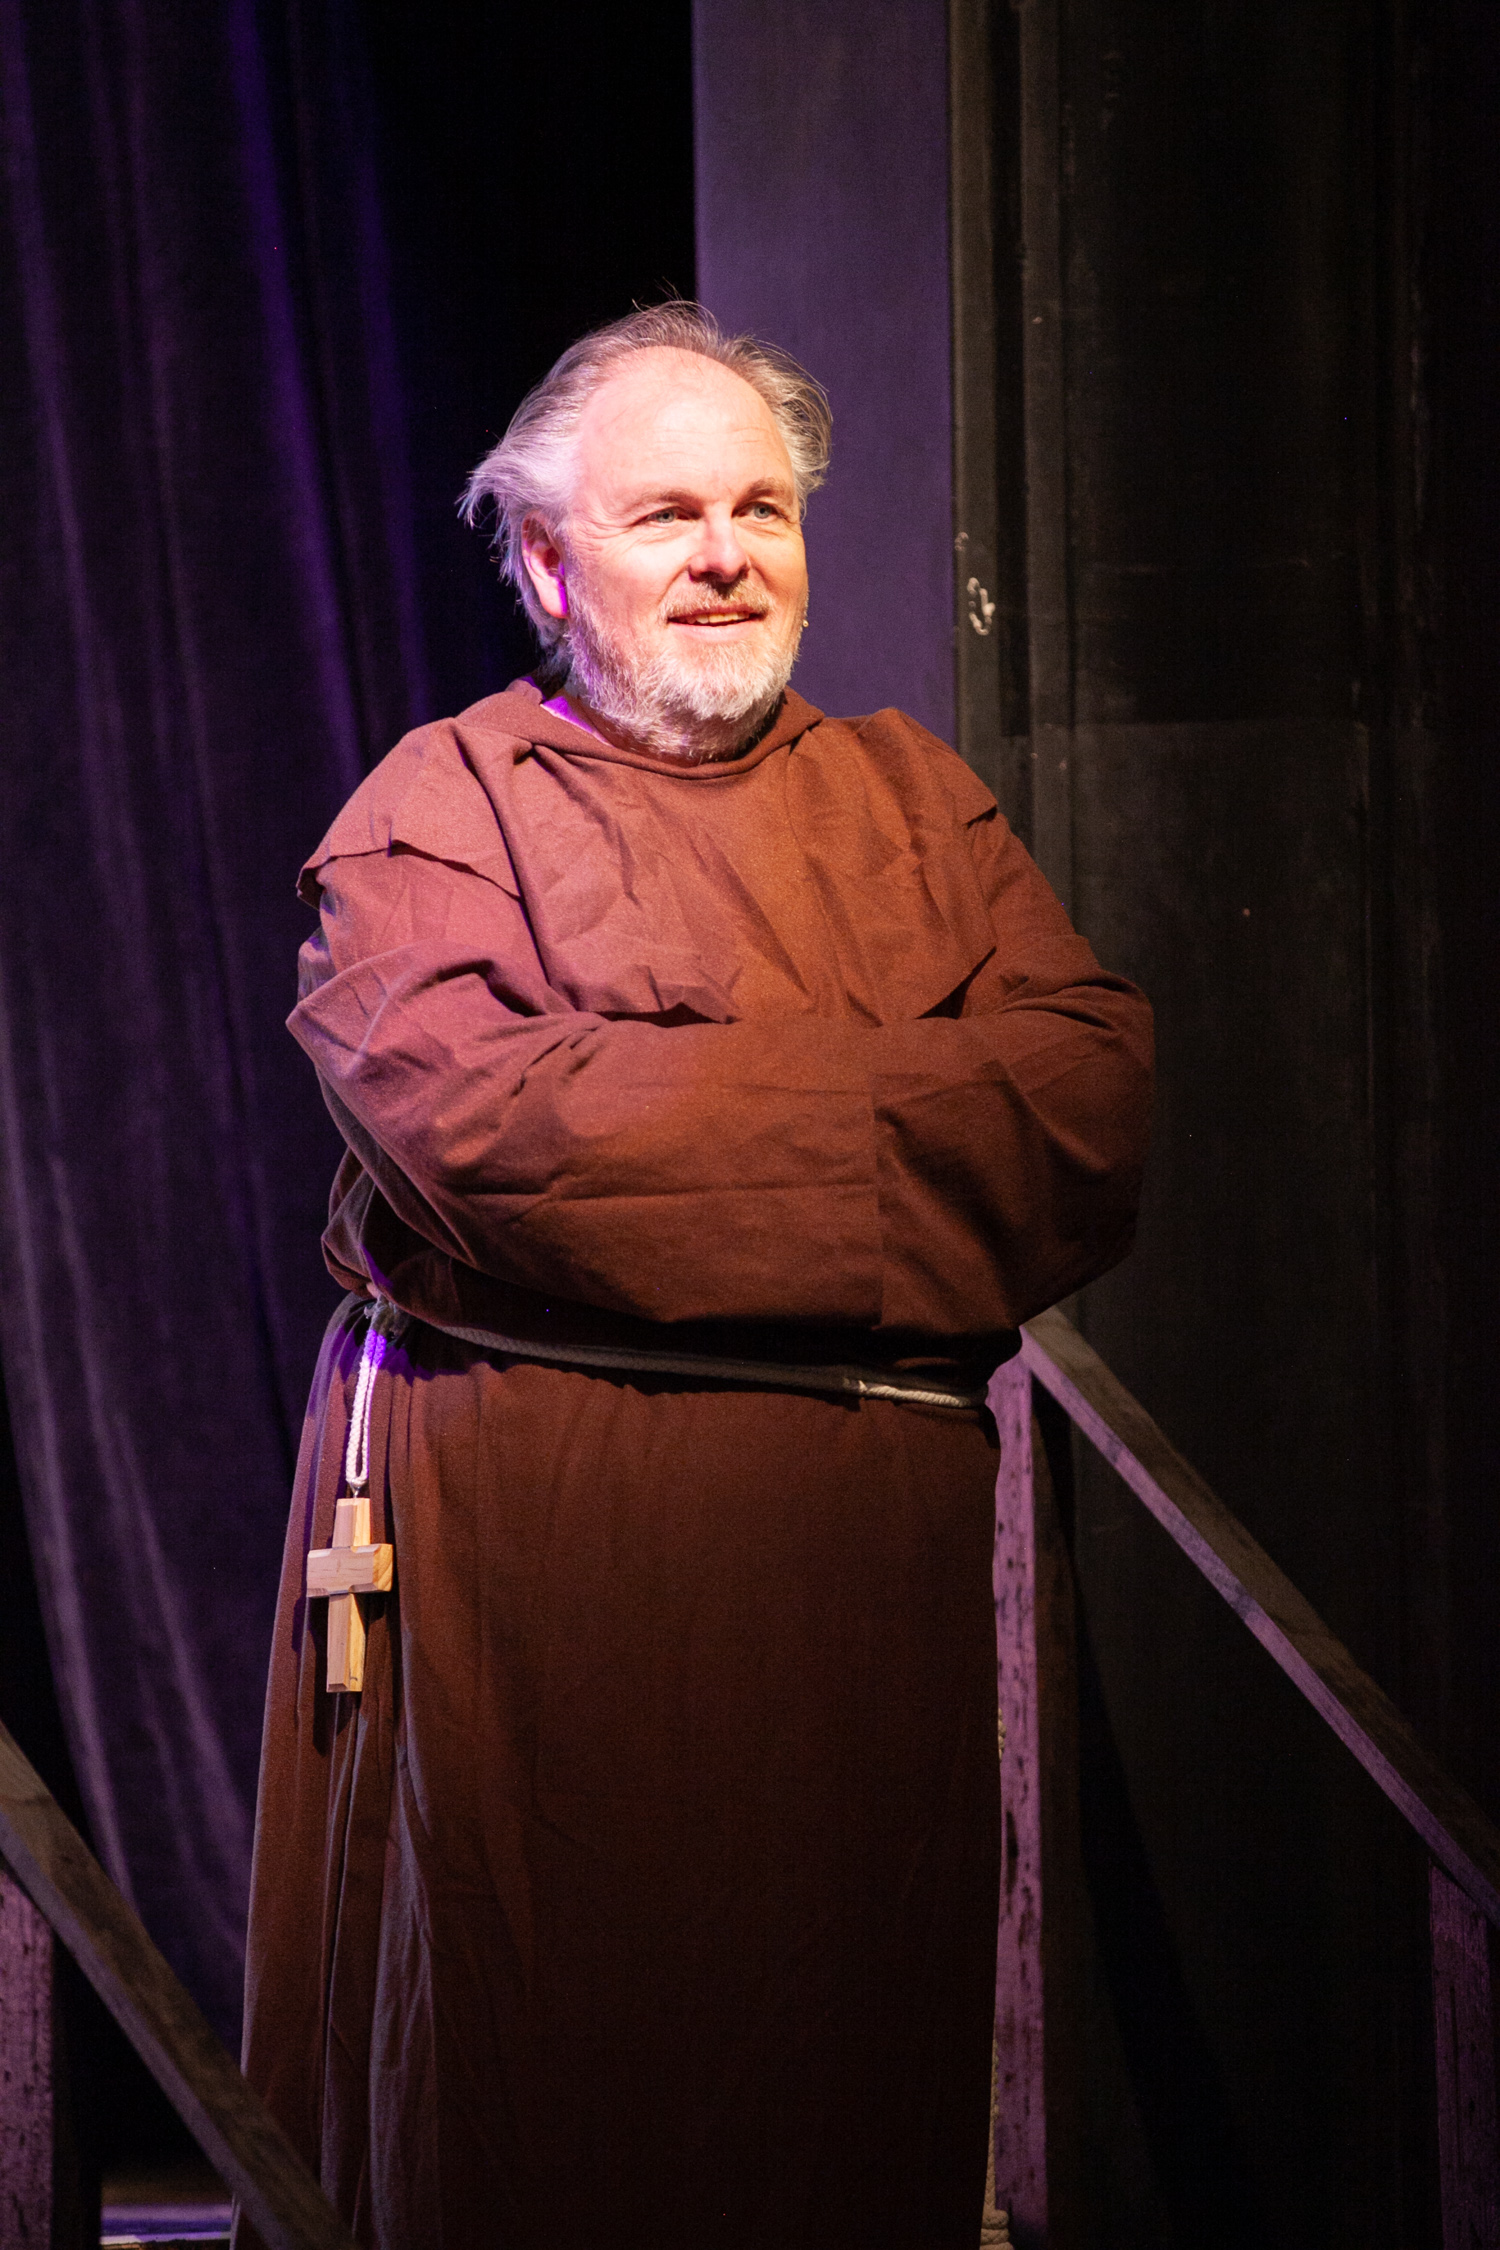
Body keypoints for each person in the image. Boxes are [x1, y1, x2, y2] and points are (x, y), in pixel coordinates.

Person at [234, 302, 1152, 2250]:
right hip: (540, 1593)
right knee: (542, 2102)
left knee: (835, 2100)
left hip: (858, 1605)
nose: (729, 555)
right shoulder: (441, 809)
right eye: (667, 516)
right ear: (547, 564)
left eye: (763, 510)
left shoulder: (916, 802)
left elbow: (1080, 1117)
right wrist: (897, 1124)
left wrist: (651, 1118)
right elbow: (488, 1137)